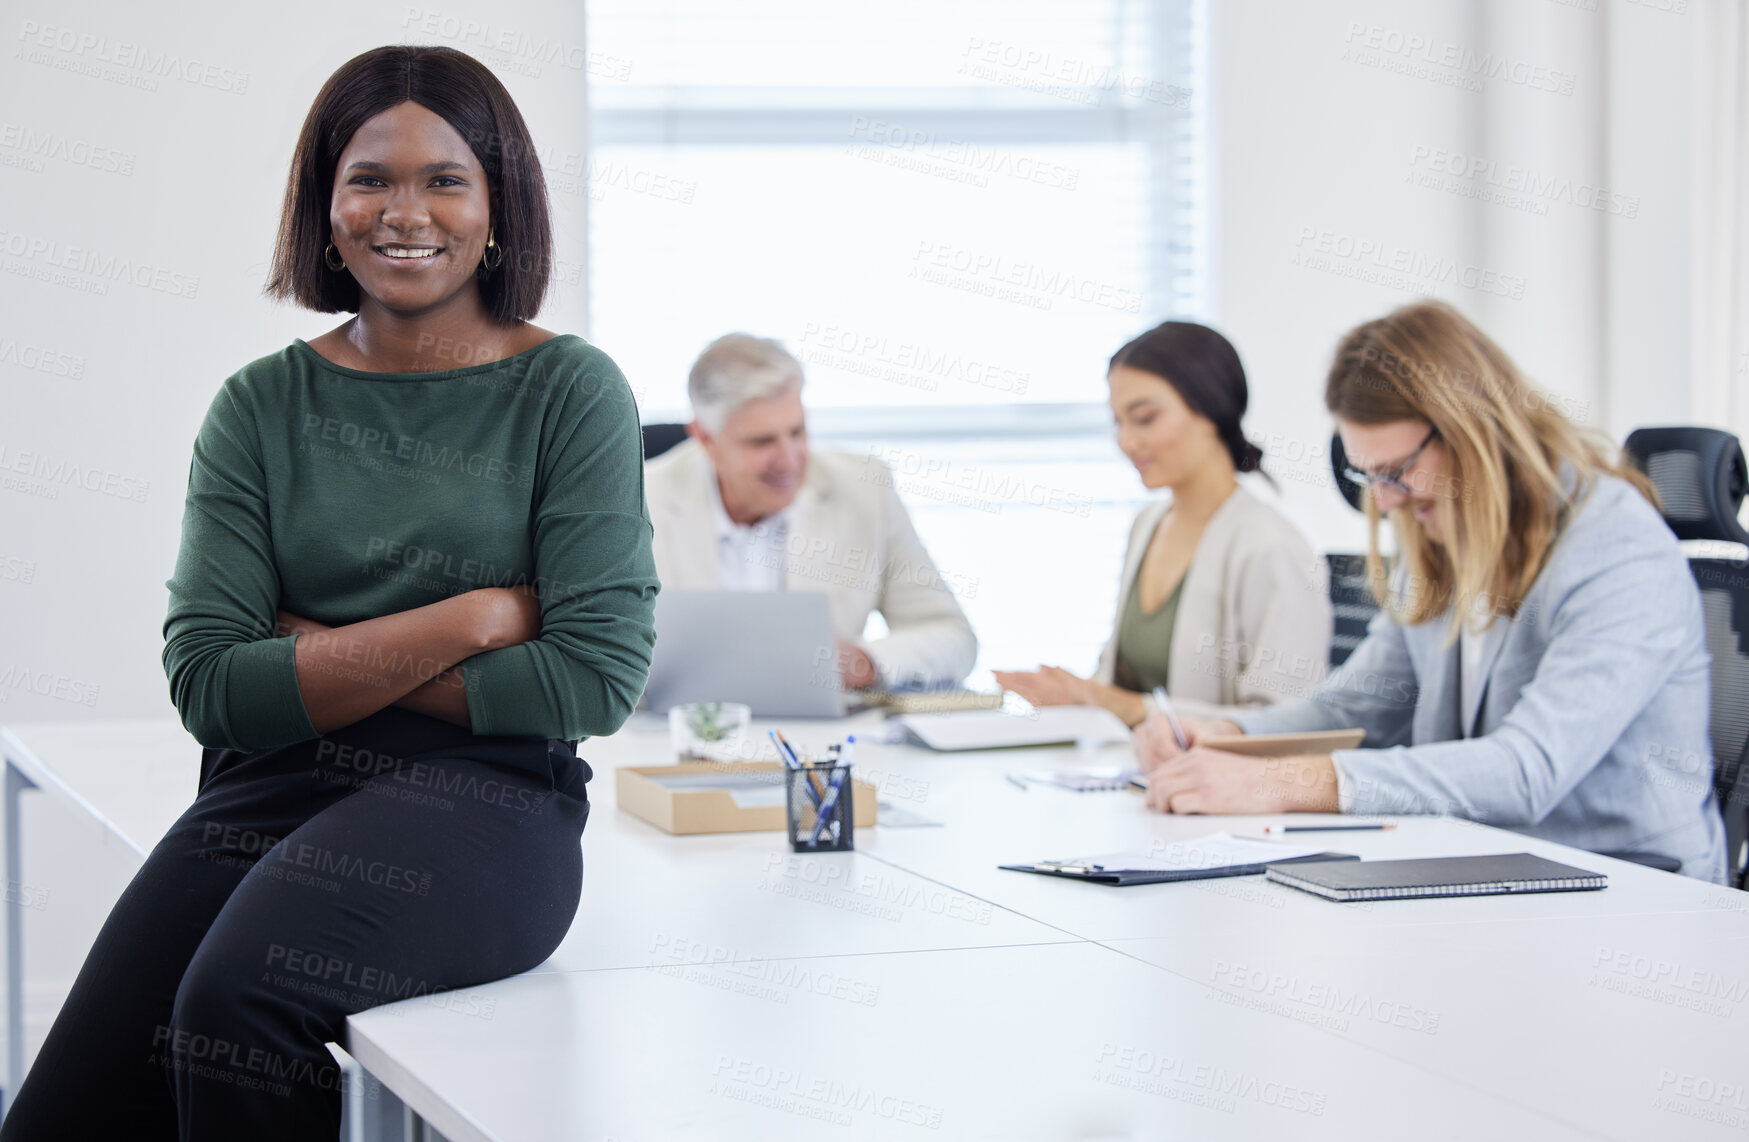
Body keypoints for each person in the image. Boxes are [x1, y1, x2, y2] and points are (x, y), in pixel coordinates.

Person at [0, 46, 658, 1140]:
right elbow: (214, 684)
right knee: (60, 1117)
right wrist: (478, 616)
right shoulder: (261, 404)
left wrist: (316, 653)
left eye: (446, 178)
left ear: (500, 206)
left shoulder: (569, 392)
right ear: (325, 204)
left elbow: (589, 678)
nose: (407, 211)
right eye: (370, 178)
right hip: (268, 788)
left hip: (490, 799)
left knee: (241, 997)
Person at [1134, 300, 1728, 883]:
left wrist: (1282, 783)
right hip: (1488, 866)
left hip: (1628, 890)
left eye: (1396, 472)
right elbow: (1356, 706)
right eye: (1370, 477)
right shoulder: (1446, 538)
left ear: (1474, 431)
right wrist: (1227, 738)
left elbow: (1527, 770)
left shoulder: (1615, 546)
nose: (1386, 501)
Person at [995, 321, 1330, 725]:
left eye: (1145, 418)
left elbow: (1285, 723)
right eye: (1118, 421)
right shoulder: (1149, 524)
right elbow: (1119, 684)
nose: (1124, 441)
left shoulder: (1273, 548)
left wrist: (1121, 706)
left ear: (1209, 408)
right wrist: (1077, 696)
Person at [645, 332, 977, 690]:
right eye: (762, 441)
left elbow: (954, 636)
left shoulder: (866, 490)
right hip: (679, 733)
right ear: (706, 439)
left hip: (824, 738)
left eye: (797, 431)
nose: (789, 460)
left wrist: (866, 663)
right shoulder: (641, 501)